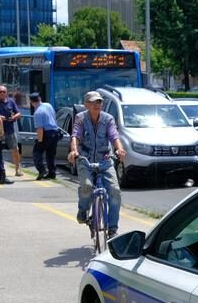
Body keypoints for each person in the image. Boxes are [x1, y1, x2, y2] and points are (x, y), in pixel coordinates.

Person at [69, 91, 126, 237]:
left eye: (99, 102)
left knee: (114, 191)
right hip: (85, 160)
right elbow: (75, 136)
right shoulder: (80, 118)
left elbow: (114, 136)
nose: (97, 105)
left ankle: (112, 229)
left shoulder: (108, 119)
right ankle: (83, 211)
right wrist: (74, 151)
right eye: (93, 102)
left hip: (105, 160)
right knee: (87, 186)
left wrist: (119, 149)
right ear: (86, 104)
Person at [30, 91, 60, 179]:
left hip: (46, 133)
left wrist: (40, 141)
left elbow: (40, 129)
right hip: (55, 132)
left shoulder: (37, 113)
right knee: (50, 154)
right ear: (40, 99)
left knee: (37, 153)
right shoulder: (48, 105)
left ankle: (42, 170)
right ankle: (52, 173)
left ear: (32, 102)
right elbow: (54, 117)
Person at [0, 84, 22, 178]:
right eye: (0, 92)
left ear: (6, 93)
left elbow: (18, 113)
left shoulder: (11, 102)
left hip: (10, 130)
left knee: (15, 150)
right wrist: (0, 118)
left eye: (4, 92)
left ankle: (18, 169)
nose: (2, 93)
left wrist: (14, 117)